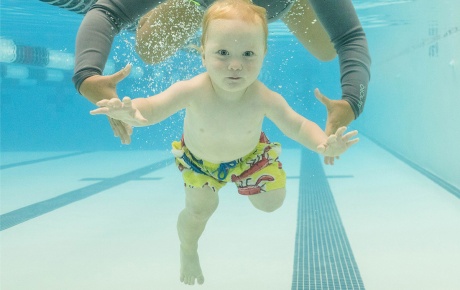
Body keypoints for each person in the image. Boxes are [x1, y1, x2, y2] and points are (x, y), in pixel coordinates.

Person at [90, 0, 359, 285]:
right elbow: (154, 107)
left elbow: (298, 125)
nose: (235, 64)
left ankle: (246, 186)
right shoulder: (192, 89)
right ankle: (188, 248)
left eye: (248, 54)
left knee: (271, 203)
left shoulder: (263, 96)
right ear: (202, 54)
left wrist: (324, 143)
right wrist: (132, 112)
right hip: (200, 163)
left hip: (251, 157)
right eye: (222, 53)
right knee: (199, 211)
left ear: (263, 54)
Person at [60, 0, 370, 160]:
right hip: (198, 5)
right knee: (150, 49)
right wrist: (88, 74)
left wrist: (352, 100)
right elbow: (108, 12)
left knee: (327, 49)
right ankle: (196, 23)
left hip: (283, 4)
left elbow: (349, 36)